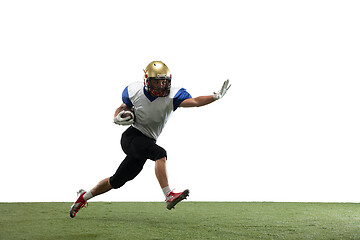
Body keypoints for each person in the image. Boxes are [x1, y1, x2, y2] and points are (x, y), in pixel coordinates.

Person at [70, 61, 231, 218]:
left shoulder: (173, 95)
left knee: (117, 181)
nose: (161, 85)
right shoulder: (134, 90)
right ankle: (168, 195)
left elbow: (195, 101)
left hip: (146, 143)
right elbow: (123, 107)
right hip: (132, 137)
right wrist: (117, 115)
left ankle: (82, 197)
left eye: (164, 81)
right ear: (147, 80)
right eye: (156, 81)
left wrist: (215, 96)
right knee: (160, 153)